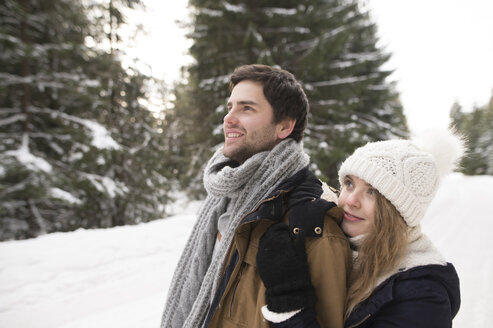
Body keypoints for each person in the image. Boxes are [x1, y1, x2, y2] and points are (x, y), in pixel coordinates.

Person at [160, 64, 352, 328]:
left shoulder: (311, 222)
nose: (228, 118)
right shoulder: (223, 196)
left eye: (246, 108)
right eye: (230, 107)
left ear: (284, 127)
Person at [256, 129, 463, 328]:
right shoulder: (339, 241)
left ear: (400, 211)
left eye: (372, 191)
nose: (351, 201)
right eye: (349, 183)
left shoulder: (423, 296)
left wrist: (291, 307)